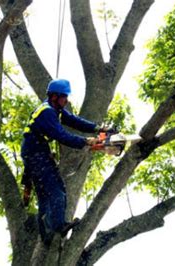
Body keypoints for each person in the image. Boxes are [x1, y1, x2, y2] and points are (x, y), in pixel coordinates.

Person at [20, 79, 111, 243]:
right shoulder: (47, 112)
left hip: (35, 154)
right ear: (54, 96)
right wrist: (86, 141)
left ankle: (46, 234)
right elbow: (62, 136)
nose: (66, 100)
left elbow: (74, 121)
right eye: (64, 97)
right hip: (36, 155)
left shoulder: (55, 109)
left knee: (45, 195)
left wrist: (98, 128)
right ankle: (58, 226)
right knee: (57, 191)